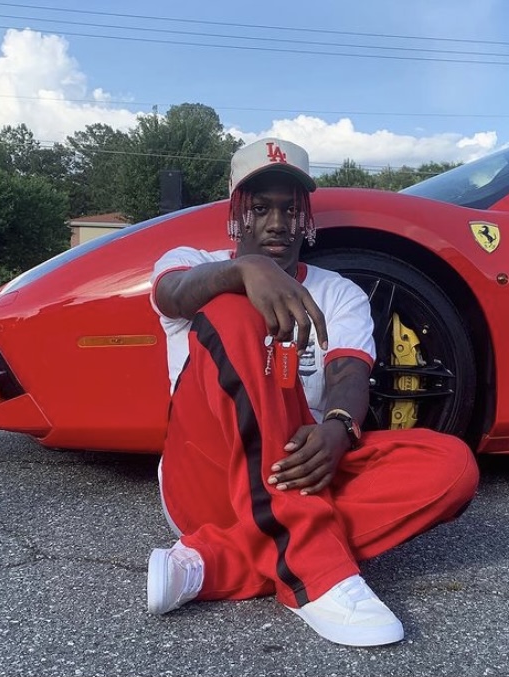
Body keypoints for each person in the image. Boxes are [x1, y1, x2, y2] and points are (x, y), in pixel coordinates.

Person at [147, 137, 479, 647]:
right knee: (230, 308)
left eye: (289, 209)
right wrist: (244, 270)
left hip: (303, 465)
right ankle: (315, 571)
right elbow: (170, 293)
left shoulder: (339, 291)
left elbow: (348, 372)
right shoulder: (193, 260)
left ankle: (214, 563)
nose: (276, 223)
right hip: (208, 474)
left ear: (305, 218)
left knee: (452, 466)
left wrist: (338, 428)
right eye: (260, 208)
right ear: (237, 213)